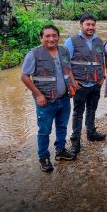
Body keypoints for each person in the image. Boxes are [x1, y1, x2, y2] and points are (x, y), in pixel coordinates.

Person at [21, 25, 77, 172]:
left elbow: (68, 69)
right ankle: (44, 157)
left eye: (54, 35)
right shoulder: (34, 54)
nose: (51, 39)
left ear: (58, 37)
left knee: (62, 126)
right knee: (44, 131)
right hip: (45, 100)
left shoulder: (64, 50)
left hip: (64, 99)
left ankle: (60, 151)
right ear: (41, 38)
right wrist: (38, 94)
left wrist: (73, 84)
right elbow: (24, 76)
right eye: (47, 36)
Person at [64, 13, 106, 155]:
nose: (90, 27)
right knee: (78, 113)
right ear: (81, 25)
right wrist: (72, 81)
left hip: (95, 84)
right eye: (87, 24)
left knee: (92, 109)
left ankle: (91, 133)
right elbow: (66, 63)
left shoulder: (99, 42)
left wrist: (102, 78)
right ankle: (75, 141)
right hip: (79, 84)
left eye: (93, 24)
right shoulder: (71, 41)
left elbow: (102, 61)